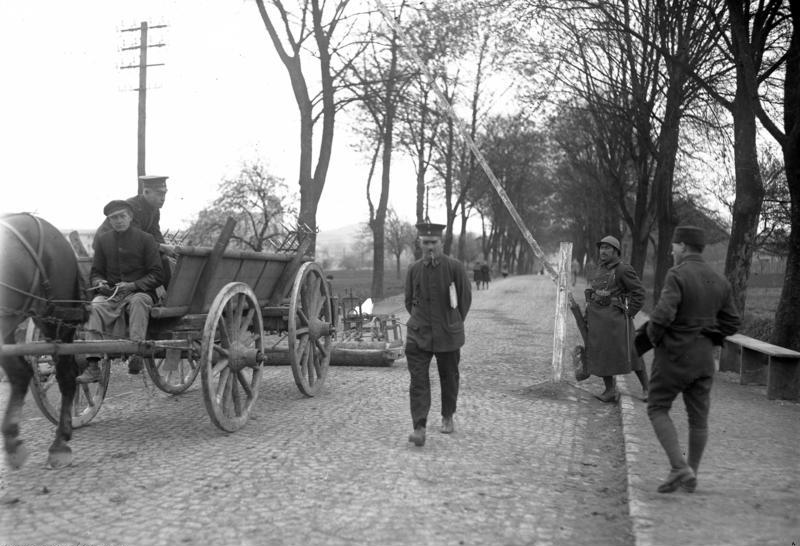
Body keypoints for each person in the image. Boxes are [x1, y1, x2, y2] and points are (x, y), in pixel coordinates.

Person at [645, 226, 739, 493]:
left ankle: (678, 467)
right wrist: (708, 333)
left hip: (674, 355)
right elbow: (733, 322)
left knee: (657, 407)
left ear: (683, 246)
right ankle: (692, 474)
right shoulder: (720, 280)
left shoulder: (677, 275)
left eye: (674, 245)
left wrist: (654, 337)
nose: (671, 250)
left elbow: (662, 315)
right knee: (698, 419)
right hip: (704, 360)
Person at [77, 200, 163, 382]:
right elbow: (96, 271)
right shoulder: (103, 240)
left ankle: (136, 353)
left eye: (122, 216)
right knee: (95, 306)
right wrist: (99, 281)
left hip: (140, 292)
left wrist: (133, 285)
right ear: (109, 220)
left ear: (130, 217)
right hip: (112, 296)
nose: (118, 221)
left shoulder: (146, 239)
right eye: (113, 218)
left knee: (139, 301)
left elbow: (157, 274)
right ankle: (93, 365)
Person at [405, 222, 472, 447]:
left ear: (442, 243)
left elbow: (464, 301)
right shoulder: (414, 269)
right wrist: (420, 321)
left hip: (448, 334)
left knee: (449, 377)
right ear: (419, 243)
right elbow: (408, 302)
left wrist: (451, 323)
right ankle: (419, 427)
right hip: (419, 335)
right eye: (425, 243)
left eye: (434, 243)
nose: (430, 247)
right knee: (418, 381)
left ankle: (447, 416)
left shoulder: (455, 268)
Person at [584, 235, 649, 402]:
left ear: (616, 251)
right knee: (601, 353)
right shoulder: (599, 268)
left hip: (617, 320)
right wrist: (587, 313)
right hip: (598, 319)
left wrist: (629, 312)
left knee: (632, 352)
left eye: (607, 248)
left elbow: (639, 293)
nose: (603, 251)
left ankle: (647, 388)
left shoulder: (622, 269)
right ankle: (610, 390)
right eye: (601, 247)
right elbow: (593, 291)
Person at [95, 175, 176, 284]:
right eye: (159, 193)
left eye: (164, 193)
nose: (163, 198)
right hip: (108, 246)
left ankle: (168, 295)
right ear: (146, 192)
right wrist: (163, 248)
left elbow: (155, 233)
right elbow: (135, 239)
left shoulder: (154, 209)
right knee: (158, 261)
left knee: (163, 258)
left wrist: (167, 248)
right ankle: (167, 296)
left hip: (126, 244)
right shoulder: (132, 207)